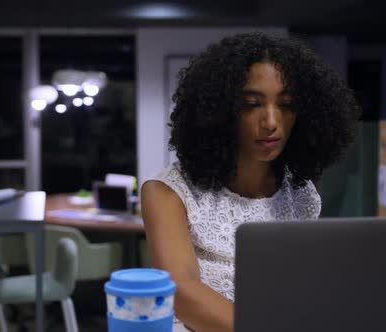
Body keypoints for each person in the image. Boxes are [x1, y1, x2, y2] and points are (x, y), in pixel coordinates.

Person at [140, 32, 361, 332]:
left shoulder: (301, 194)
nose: (271, 121)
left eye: (286, 104)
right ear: (219, 111)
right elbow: (181, 293)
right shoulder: (167, 191)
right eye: (251, 104)